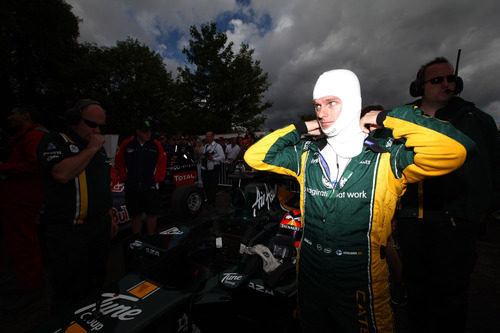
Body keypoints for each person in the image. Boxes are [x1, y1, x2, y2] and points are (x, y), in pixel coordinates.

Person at [244, 69, 475, 332]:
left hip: (359, 274)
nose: (322, 112)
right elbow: (255, 156)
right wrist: (305, 127)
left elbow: (456, 149)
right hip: (309, 270)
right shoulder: (307, 154)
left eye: (331, 103)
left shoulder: (387, 157)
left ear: (352, 102)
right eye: (317, 105)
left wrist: (384, 118)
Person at [396, 57, 500, 332]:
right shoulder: (402, 118)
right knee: (416, 295)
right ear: (419, 86)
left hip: (456, 223)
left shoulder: (477, 120)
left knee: (451, 298)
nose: (447, 84)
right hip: (413, 221)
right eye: (437, 79)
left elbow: (495, 165)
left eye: (451, 78)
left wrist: (482, 207)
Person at [37, 99, 118, 314]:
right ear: (74, 119)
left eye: (100, 126)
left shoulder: (97, 149)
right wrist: (91, 149)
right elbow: (61, 174)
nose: (97, 131)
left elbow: (102, 182)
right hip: (69, 231)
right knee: (68, 291)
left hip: (98, 227)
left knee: (95, 284)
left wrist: (110, 213)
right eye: (92, 125)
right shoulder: (55, 141)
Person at [0, 105, 47, 306]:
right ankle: (23, 280)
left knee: (25, 242)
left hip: (23, 201)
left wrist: (3, 167)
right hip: (15, 201)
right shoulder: (23, 136)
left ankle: (31, 286)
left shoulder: (34, 136)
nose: (9, 117)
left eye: (14, 113)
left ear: (26, 115)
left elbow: (34, 165)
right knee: (18, 243)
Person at [115, 120, 166, 236]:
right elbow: (119, 162)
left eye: (149, 131)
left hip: (150, 185)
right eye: (145, 132)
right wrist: (124, 177)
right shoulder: (127, 144)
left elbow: (162, 163)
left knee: (152, 213)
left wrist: (156, 179)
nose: (148, 134)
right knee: (135, 214)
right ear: (138, 132)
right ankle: (136, 238)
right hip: (132, 186)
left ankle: (151, 236)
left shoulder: (155, 145)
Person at [200, 131, 224, 209]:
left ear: (213, 137)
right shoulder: (206, 146)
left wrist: (213, 158)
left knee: (212, 187)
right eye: (206, 136)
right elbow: (204, 155)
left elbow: (222, 157)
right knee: (206, 186)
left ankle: (213, 202)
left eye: (209, 136)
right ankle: (209, 201)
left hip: (213, 169)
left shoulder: (217, 146)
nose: (207, 138)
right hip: (205, 169)